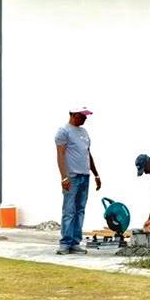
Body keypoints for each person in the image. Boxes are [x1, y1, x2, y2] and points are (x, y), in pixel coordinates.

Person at [54, 108, 100, 255]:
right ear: (73, 115)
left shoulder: (84, 132)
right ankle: (65, 243)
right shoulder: (64, 131)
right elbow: (60, 154)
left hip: (85, 176)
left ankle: (75, 242)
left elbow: (88, 154)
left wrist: (96, 174)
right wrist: (64, 176)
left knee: (80, 210)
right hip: (72, 176)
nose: (85, 118)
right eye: (82, 115)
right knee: (69, 210)